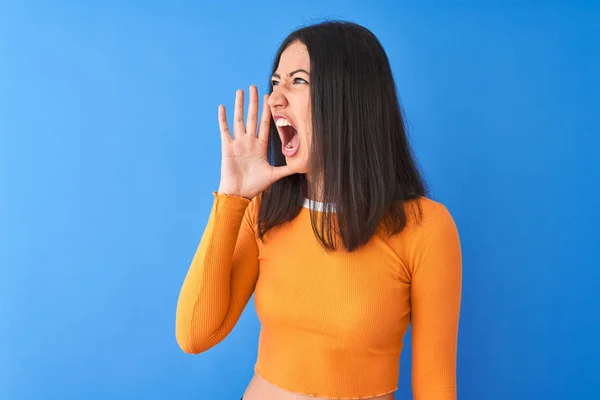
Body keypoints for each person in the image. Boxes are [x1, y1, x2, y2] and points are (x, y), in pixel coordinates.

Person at [175, 20, 462, 400]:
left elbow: (435, 387)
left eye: (297, 81)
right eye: (275, 82)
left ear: (349, 100)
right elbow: (195, 334)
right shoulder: (263, 208)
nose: (275, 98)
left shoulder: (424, 228)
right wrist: (232, 197)